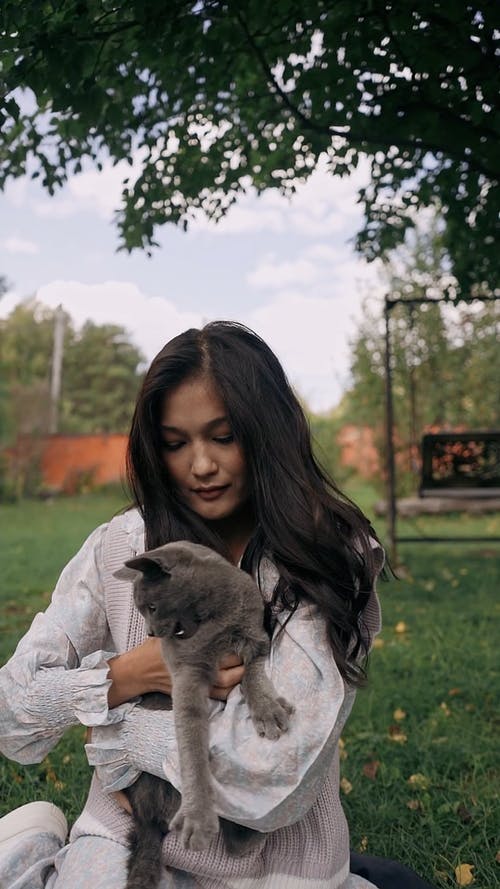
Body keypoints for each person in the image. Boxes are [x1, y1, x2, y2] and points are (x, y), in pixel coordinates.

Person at [0, 321, 434, 889]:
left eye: (223, 437)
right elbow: (12, 713)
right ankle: (36, 850)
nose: (200, 466)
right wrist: (123, 675)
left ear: (266, 433)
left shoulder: (321, 556)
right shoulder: (123, 546)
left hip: (279, 856)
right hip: (129, 837)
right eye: (175, 444)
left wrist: (115, 733)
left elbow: (272, 777)